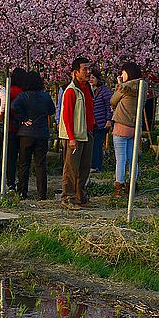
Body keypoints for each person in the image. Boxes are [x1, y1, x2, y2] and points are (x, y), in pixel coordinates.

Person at [11, 71, 56, 200]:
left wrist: (23, 118)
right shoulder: (45, 96)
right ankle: (42, 193)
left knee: (24, 163)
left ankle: (22, 192)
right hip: (41, 133)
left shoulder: (23, 96)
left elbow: (13, 107)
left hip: (26, 133)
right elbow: (51, 110)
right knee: (40, 164)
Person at [59, 57, 95, 208]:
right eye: (84, 69)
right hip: (74, 135)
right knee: (71, 169)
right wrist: (71, 138)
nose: (88, 72)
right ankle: (68, 197)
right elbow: (67, 116)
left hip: (87, 133)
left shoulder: (88, 88)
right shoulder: (71, 91)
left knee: (84, 168)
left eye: (89, 69)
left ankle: (80, 196)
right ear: (75, 72)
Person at [110, 60, 147, 196]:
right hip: (135, 126)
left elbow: (113, 101)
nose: (122, 74)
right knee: (132, 158)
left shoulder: (124, 87)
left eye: (123, 72)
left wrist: (119, 84)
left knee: (121, 158)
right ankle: (132, 185)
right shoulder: (143, 86)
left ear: (128, 73)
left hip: (121, 126)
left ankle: (119, 186)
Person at [0, 67, 27, 191]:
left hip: (9, 128)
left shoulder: (7, 90)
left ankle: (10, 183)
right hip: (21, 128)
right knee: (23, 159)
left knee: (10, 158)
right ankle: (21, 182)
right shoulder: (22, 92)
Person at [89, 67, 112, 173]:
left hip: (101, 122)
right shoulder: (88, 90)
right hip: (91, 122)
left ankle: (96, 166)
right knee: (92, 144)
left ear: (98, 79)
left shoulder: (104, 90)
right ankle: (93, 165)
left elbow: (109, 106)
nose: (91, 79)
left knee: (97, 144)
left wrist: (109, 120)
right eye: (89, 77)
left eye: (93, 77)